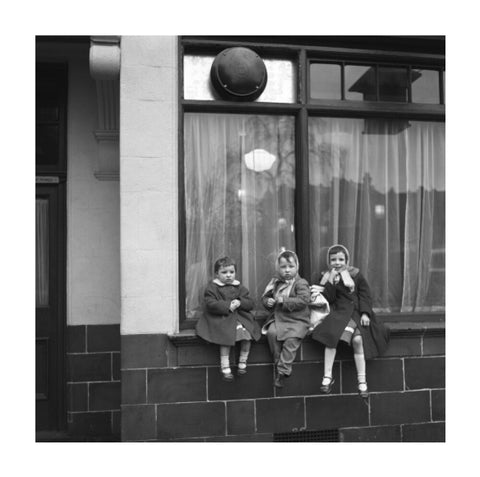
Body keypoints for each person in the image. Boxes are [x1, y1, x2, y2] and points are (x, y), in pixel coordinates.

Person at [310, 244, 389, 398]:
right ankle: (327, 376)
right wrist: (330, 282)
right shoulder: (327, 276)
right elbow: (329, 298)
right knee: (331, 339)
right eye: (333, 260)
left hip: (356, 313)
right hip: (339, 313)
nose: (337, 262)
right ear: (329, 261)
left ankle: (362, 381)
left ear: (347, 260)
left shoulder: (356, 275)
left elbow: (365, 295)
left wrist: (366, 313)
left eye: (341, 259)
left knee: (358, 341)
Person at [196, 257, 261, 382]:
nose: (228, 276)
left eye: (231, 272)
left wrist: (240, 302)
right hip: (222, 318)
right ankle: (225, 365)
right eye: (224, 272)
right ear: (217, 274)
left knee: (247, 335)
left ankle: (243, 361)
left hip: (239, 318)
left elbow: (251, 303)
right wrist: (227, 306)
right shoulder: (212, 288)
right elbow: (210, 303)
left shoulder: (239, 287)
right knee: (225, 337)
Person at [261, 250, 311, 388]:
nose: (287, 270)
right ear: (278, 268)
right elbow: (266, 297)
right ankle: (278, 362)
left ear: (297, 267)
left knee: (291, 340)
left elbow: (304, 300)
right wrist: (267, 302)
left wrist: (284, 300)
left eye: (291, 266)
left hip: (297, 320)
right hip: (279, 318)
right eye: (283, 267)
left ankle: (283, 371)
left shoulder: (301, 283)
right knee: (272, 333)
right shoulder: (276, 282)